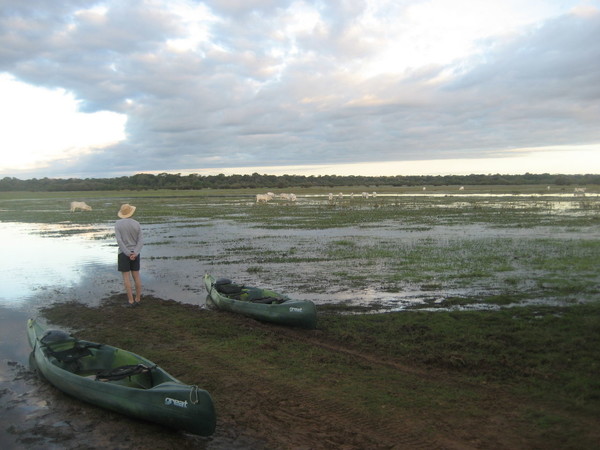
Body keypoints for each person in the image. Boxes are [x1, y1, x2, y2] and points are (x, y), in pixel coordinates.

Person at [115, 203, 143, 306]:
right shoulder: (137, 224)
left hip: (123, 254)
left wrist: (127, 253)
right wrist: (135, 253)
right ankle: (138, 299)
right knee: (137, 277)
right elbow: (141, 241)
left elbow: (119, 241)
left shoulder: (117, 224)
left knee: (126, 278)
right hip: (135, 253)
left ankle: (131, 301)